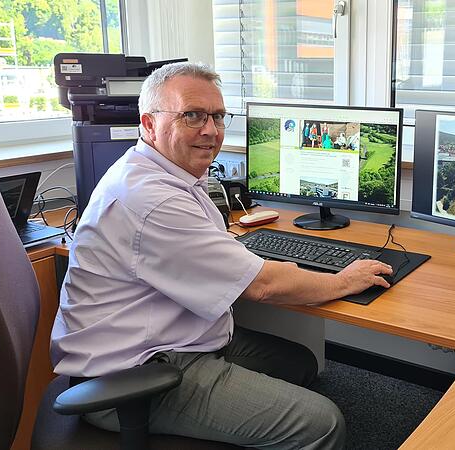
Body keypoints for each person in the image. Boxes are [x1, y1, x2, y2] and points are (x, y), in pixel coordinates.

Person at [50, 62, 392, 449]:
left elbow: (209, 248)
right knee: (323, 423)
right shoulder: (153, 198)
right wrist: (343, 279)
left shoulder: (163, 172)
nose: (211, 131)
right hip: (132, 373)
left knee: (299, 364)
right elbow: (262, 288)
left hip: (174, 336)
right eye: (192, 116)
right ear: (148, 124)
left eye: (217, 116)